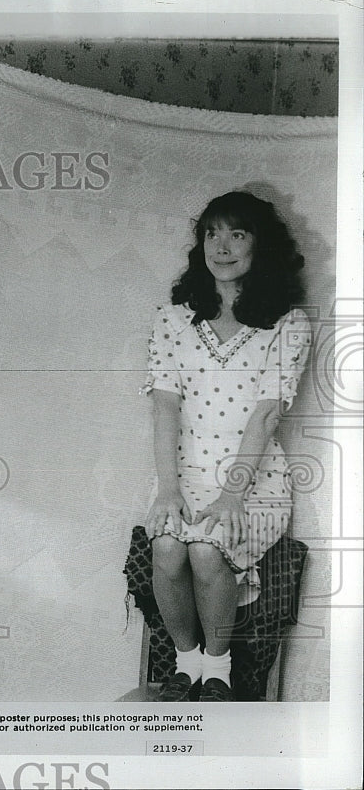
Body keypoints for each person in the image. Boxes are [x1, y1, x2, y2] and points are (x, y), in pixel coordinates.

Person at [141, 191, 312, 702]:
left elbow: (265, 414)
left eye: (237, 233)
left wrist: (233, 494)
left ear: (261, 246)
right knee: (168, 548)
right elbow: (165, 407)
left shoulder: (288, 324)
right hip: (185, 473)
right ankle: (187, 665)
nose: (223, 245)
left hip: (254, 481)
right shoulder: (173, 320)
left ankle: (217, 671)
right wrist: (168, 491)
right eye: (212, 232)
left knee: (208, 550)